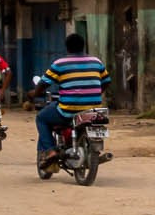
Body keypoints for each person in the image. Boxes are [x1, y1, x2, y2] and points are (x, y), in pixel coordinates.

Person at [37, 32, 108, 173]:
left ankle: (51, 151)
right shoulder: (97, 62)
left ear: (67, 48)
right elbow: (106, 81)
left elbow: (43, 84)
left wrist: (34, 93)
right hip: (93, 110)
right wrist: (94, 93)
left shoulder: (60, 64)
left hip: (68, 110)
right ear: (84, 47)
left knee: (41, 118)